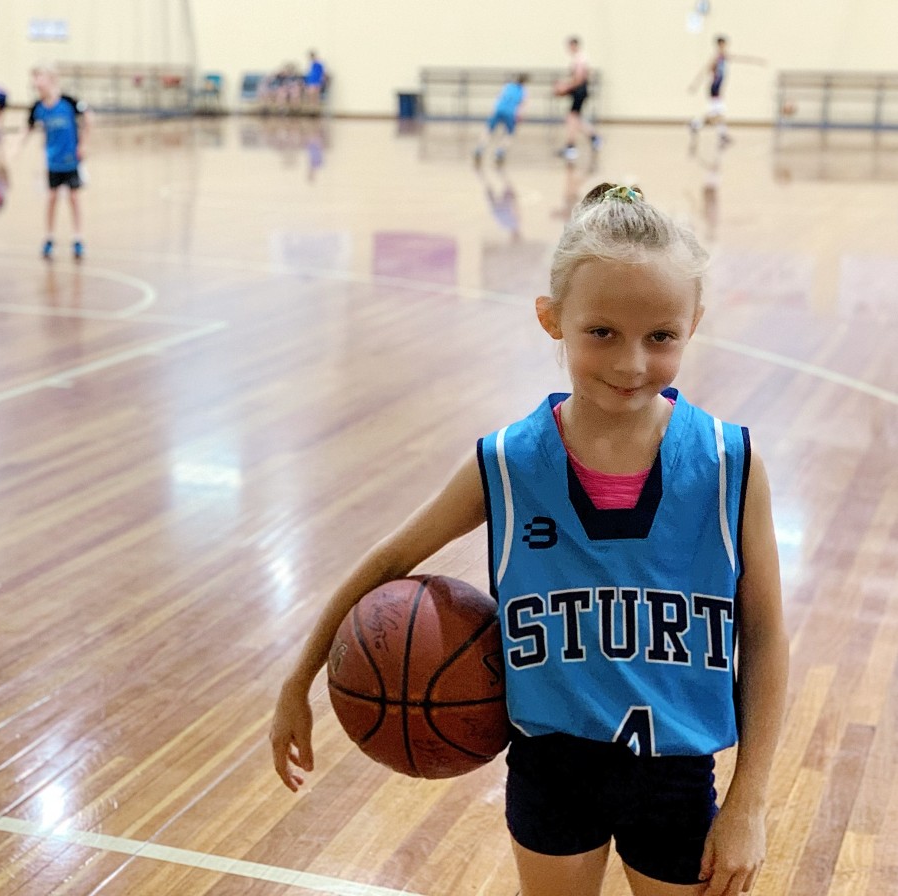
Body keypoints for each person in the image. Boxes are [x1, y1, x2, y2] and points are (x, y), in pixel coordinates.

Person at [270, 183, 789, 896]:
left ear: (692, 323)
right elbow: (389, 560)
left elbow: (761, 634)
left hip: (673, 772)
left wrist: (749, 801)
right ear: (551, 319)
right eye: (600, 332)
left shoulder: (730, 464)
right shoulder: (510, 462)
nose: (631, 363)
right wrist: (296, 682)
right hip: (551, 770)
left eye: (659, 337)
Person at [17, 63, 91, 260]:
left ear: (50, 80)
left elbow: (88, 117)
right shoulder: (38, 107)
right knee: (52, 198)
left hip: (71, 159)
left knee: (74, 198)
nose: (35, 83)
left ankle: (78, 238)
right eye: (34, 80)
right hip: (52, 161)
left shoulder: (68, 102)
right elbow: (27, 128)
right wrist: (15, 146)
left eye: (39, 78)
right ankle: (49, 238)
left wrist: (83, 144)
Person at [688, 35, 766, 151]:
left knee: (718, 114)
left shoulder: (723, 57)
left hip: (718, 88)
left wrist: (755, 60)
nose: (725, 46)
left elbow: (739, 58)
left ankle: (711, 130)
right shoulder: (716, 58)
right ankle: (696, 124)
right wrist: (696, 84)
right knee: (717, 114)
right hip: (715, 88)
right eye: (723, 44)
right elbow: (706, 70)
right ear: (720, 44)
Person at [555, 36, 601, 161]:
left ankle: (571, 147)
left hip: (579, 91)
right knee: (575, 119)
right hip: (579, 90)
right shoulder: (580, 58)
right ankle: (594, 138)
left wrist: (565, 87)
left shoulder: (580, 59)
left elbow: (579, 79)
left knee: (572, 119)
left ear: (574, 45)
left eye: (570, 46)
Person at [474, 73, 528, 167]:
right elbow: (522, 104)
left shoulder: (508, 86)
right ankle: (500, 151)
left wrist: (493, 110)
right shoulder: (523, 90)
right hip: (510, 113)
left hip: (498, 109)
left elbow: (498, 97)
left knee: (488, 130)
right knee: (509, 133)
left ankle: (480, 148)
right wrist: (519, 115)